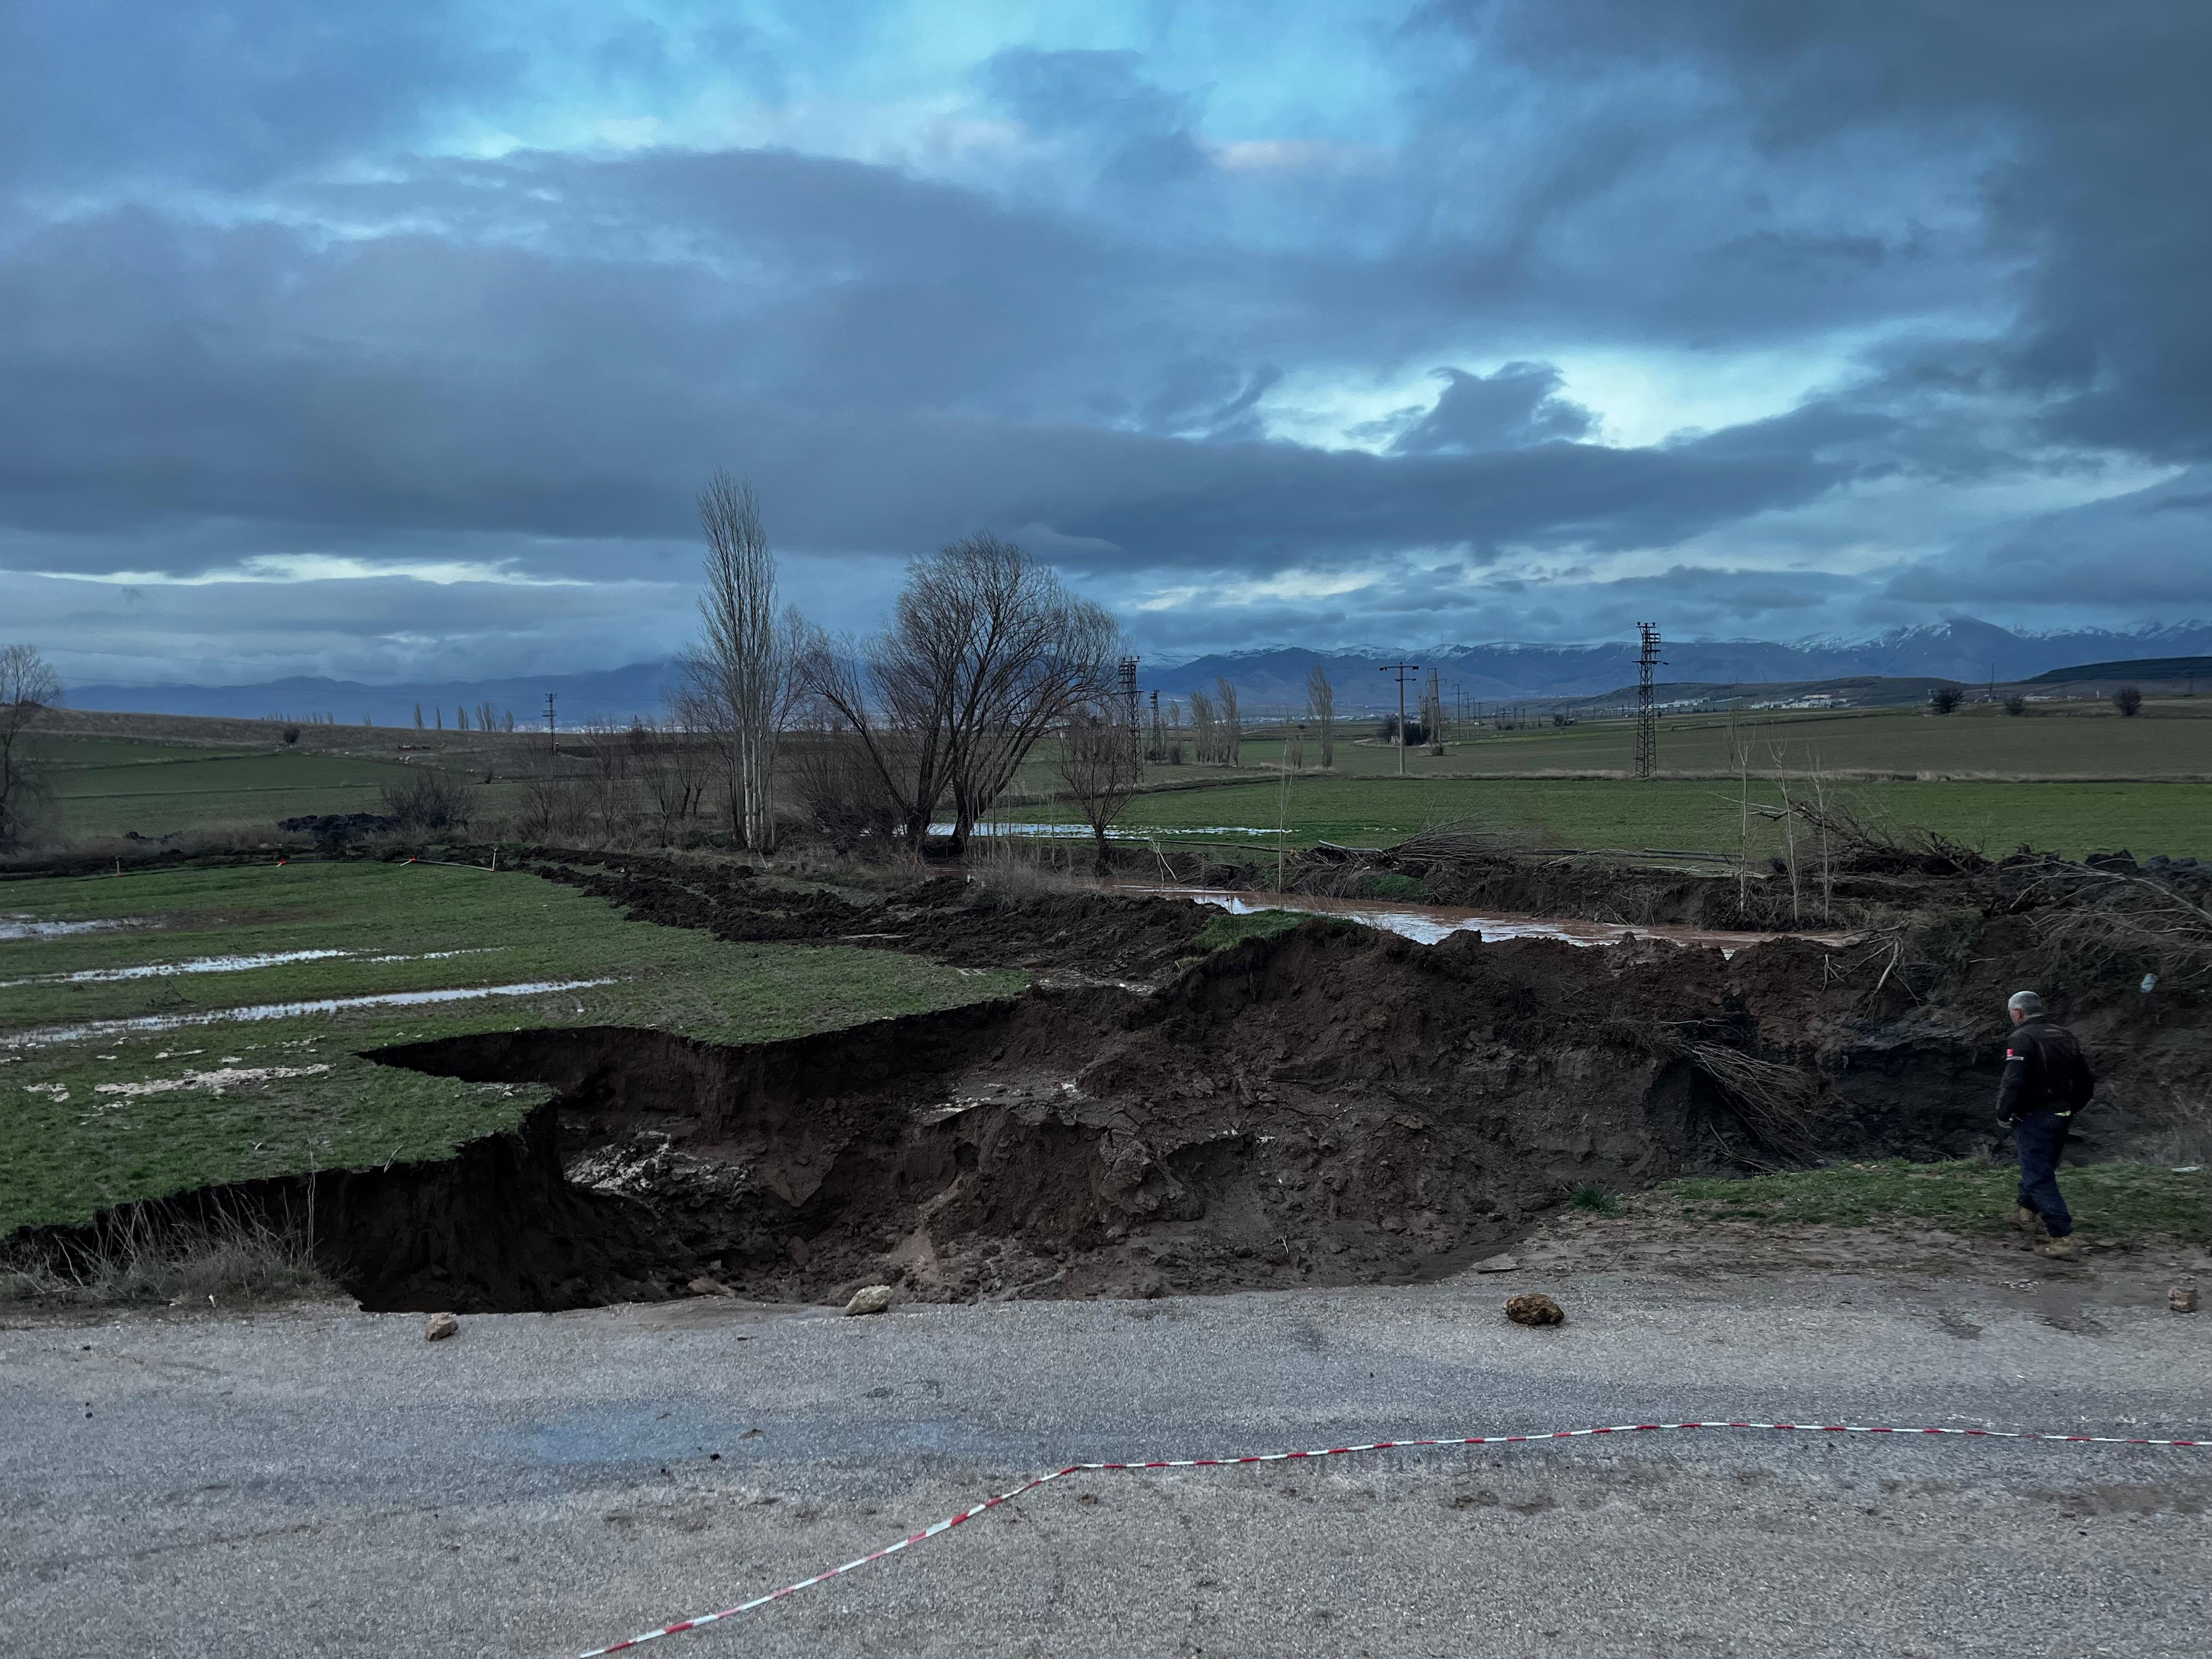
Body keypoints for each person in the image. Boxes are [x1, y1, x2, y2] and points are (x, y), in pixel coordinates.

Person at [1995, 991, 2095, 1259]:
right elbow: (2086, 1079)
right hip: (2061, 1114)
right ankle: (2025, 1213)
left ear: (2018, 1013)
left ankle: (2063, 1236)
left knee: (2038, 1176)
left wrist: (2004, 1114)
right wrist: (2072, 1108)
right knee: (2040, 1167)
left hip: (2034, 1117)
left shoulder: (2022, 1038)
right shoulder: (2064, 1035)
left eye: (2011, 1013)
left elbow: (2013, 1081)